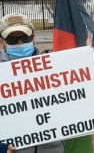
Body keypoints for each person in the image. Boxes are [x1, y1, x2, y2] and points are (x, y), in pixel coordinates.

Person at [0, 13, 64, 153]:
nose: (20, 43)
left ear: (33, 37)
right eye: (12, 39)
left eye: (25, 37)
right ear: (2, 41)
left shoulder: (54, 69)